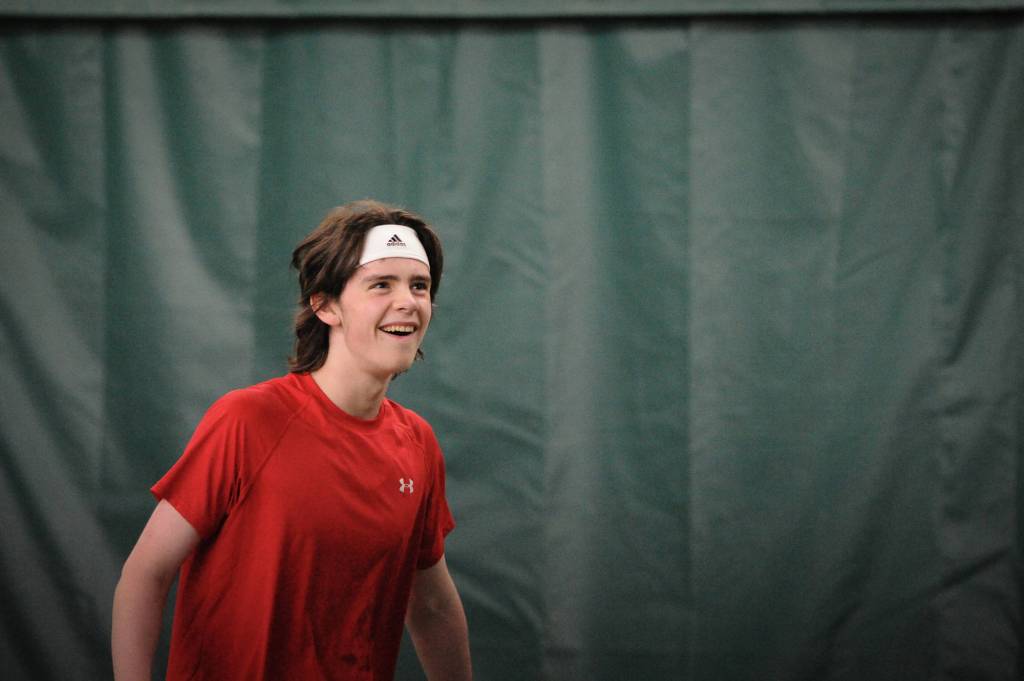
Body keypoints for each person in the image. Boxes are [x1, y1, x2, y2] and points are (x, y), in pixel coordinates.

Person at [112, 200, 472, 681]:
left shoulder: (418, 444)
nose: (408, 301)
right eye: (381, 284)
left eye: (420, 286)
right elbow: (145, 575)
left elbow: (431, 604)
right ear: (325, 305)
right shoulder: (248, 420)